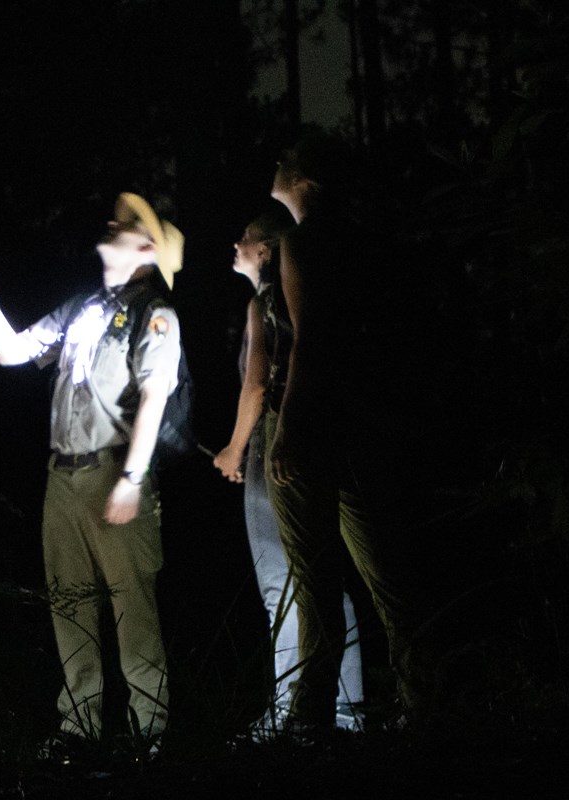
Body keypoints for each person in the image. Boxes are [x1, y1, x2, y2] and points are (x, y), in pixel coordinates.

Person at [0, 193, 185, 750]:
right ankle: (78, 727)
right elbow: (13, 354)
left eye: (130, 224)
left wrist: (132, 479)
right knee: (69, 603)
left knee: (133, 607)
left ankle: (148, 731)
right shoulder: (81, 306)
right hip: (62, 477)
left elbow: (155, 397)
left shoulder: (156, 314)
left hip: (113, 473)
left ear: (148, 249)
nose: (114, 223)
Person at [265, 138, 420, 733]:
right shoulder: (361, 241)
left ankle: (309, 722)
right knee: (388, 579)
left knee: (315, 583)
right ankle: (422, 702)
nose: (276, 164)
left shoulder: (300, 242)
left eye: (284, 159)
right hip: (360, 422)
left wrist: (290, 429)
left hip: (314, 425)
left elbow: (311, 338)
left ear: (302, 177)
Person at [212, 211, 364, 731]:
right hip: (307, 443)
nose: (237, 243)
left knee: (284, 584)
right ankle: (346, 706)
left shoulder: (262, 303)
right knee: (321, 579)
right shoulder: (297, 299)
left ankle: (293, 711)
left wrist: (233, 449)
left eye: (247, 237)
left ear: (269, 249)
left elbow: (256, 383)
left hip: (270, 452)